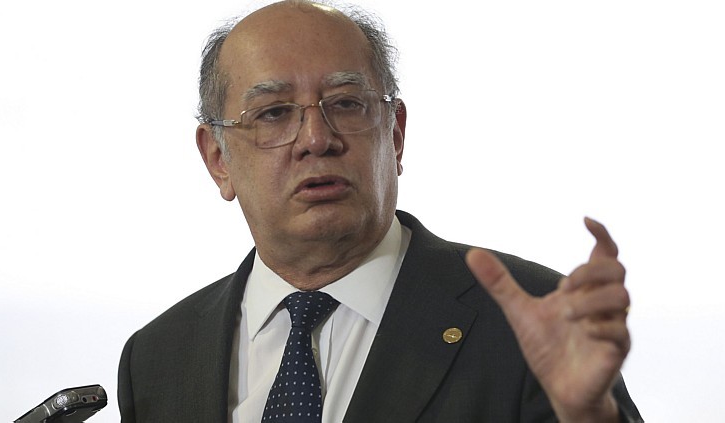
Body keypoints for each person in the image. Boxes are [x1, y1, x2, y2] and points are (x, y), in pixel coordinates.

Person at [117, 1, 643, 422]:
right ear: (217, 159)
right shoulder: (157, 358)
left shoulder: (530, 324)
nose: (317, 139)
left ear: (395, 135)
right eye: (274, 113)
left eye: (347, 103)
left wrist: (586, 416)